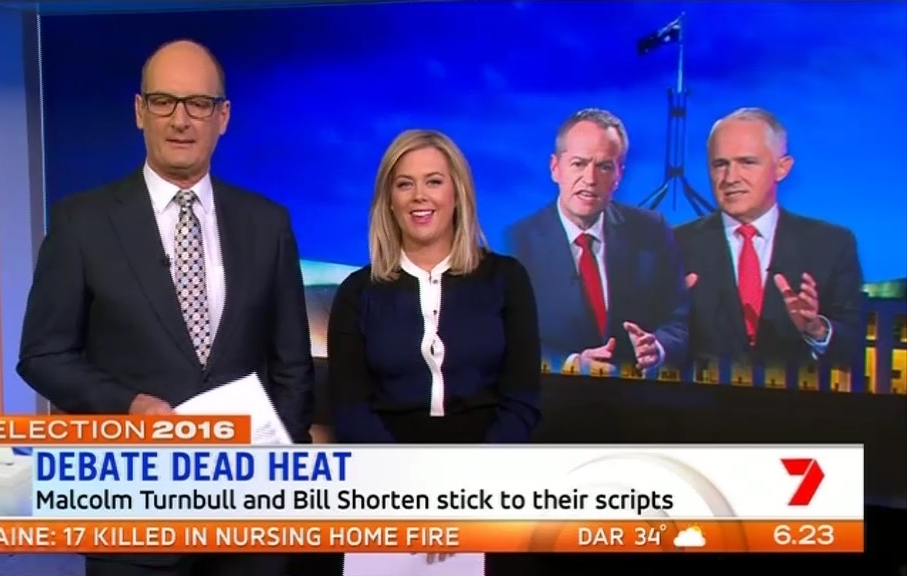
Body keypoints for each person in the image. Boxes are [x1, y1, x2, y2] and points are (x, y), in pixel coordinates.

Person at [17, 39, 314, 576]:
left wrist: (277, 468)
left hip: (249, 523)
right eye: (163, 102)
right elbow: (43, 355)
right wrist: (128, 404)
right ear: (140, 111)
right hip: (134, 516)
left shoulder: (267, 223)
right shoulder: (81, 223)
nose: (181, 120)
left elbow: (292, 364)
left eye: (198, 103)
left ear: (223, 117)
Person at [326, 129, 542, 574]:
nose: (419, 196)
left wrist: (462, 496)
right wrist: (412, 496)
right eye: (404, 184)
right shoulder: (358, 293)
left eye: (434, 181)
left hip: (486, 480)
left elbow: (522, 400)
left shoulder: (506, 279)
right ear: (389, 200)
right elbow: (349, 408)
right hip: (385, 481)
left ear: (458, 193)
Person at [675, 107, 863, 368]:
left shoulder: (831, 244)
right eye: (720, 164)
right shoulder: (674, 245)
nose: (730, 178)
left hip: (795, 392)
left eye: (747, 162)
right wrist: (665, 316)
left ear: (782, 168)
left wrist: (817, 330)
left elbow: (854, 346)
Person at [508, 108, 689, 376]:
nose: (590, 179)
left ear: (619, 175)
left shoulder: (651, 232)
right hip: (552, 396)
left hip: (634, 395)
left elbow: (679, 320)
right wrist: (569, 364)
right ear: (555, 168)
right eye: (578, 164)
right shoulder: (517, 243)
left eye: (604, 167)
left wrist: (659, 347)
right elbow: (503, 338)